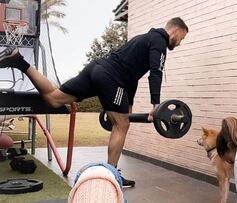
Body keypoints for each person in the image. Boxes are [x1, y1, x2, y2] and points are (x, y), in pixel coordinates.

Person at [0, 17, 188, 187]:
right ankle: (111, 176)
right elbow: (156, 72)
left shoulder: (144, 38)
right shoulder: (159, 41)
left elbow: (132, 77)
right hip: (111, 78)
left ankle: (18, 61)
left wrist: (128, 108)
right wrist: (156, 105)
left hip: (97, 69)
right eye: (182, 38)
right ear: (176, 31)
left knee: (54, 99)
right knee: (121, 126)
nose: (180, 43)